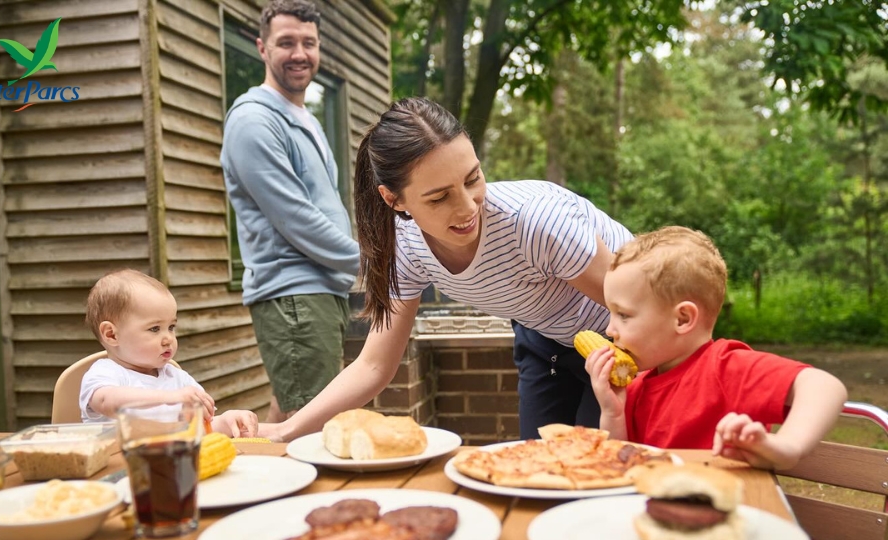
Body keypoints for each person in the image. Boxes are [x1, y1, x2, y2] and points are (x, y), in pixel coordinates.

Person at [258, 97, 633, 442]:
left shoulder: (538, 222)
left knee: (594, 462)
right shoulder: (405, 246)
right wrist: (283, 430)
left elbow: (639, 309)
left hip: (624, 336)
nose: (468, 207)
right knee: (537, 466)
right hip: (545, 342)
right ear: (393, 199)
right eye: (439, 197)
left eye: (473, 179)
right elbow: (374, 365)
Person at [584, 226, 847, 470]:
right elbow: (623, 467)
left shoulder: (725, 368)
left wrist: (787, 447)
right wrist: (612, 414)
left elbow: (825, 387)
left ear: (682, 319)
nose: (609, 329)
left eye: (623, 315)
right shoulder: (636, 389)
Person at [221, 0, 359, 423]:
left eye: (308, 43)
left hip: (319, 289)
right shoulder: (254, 121)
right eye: (286, 43)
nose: (299, 53)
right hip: (295, 292)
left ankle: (260, 468)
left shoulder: (303, 118)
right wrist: (370, 261)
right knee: (311, 425)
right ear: (262, 48)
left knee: (288, 416)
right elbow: (296, 219)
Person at [79, 269, 259, 438]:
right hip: (117, 460)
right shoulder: (106, 373)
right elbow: (107, 402)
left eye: (171, 327)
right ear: (111, 334)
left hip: (171, 456)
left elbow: (198, 429)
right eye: (154, 329)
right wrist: (171, 397)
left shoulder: (178, 379)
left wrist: (227, 422)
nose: (168, 339)